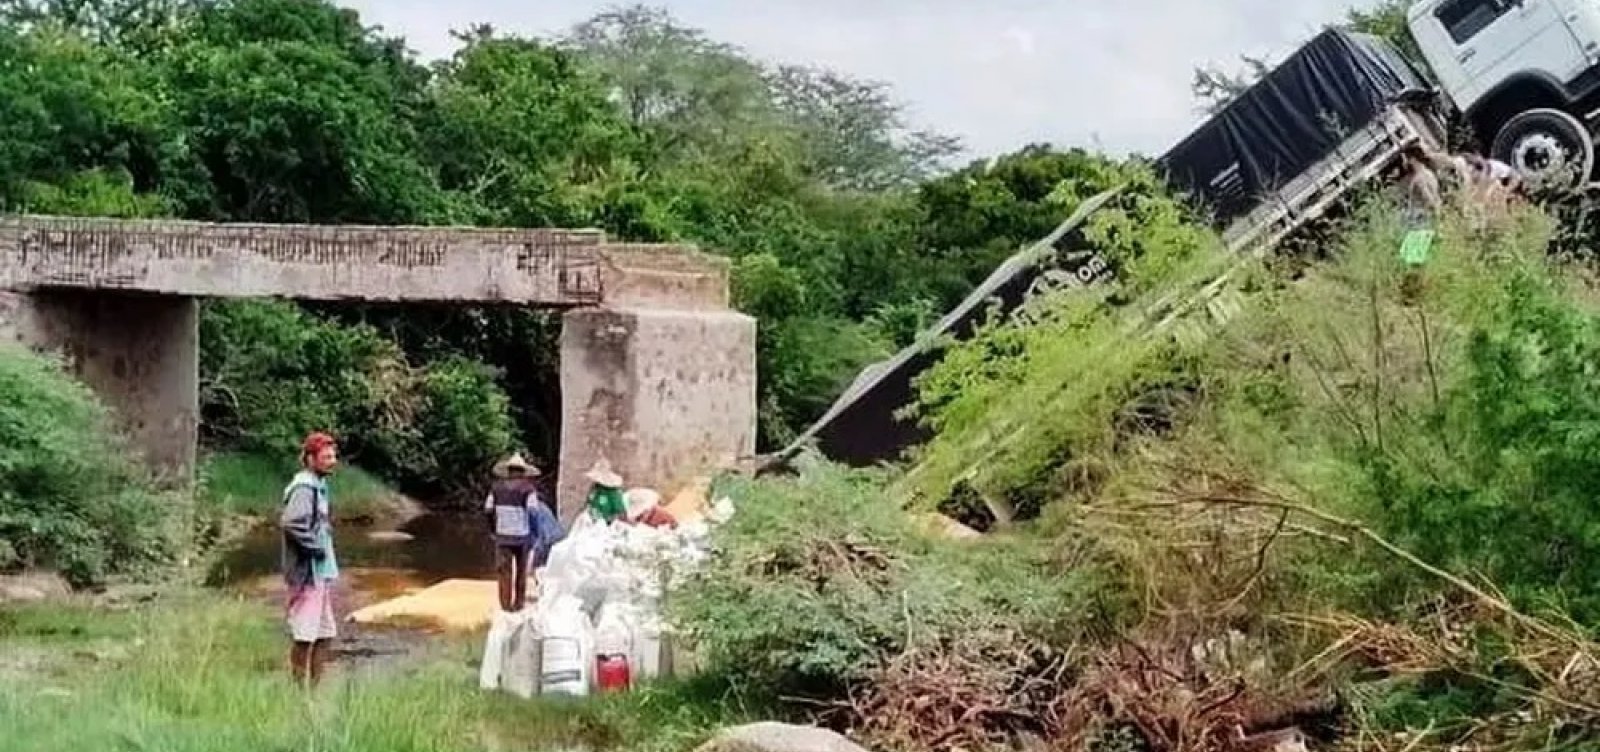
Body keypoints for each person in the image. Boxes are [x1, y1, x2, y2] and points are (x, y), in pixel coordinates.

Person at [280, 432, 340, 688]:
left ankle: (313, 690)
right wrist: (316, 549)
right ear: (310, 458)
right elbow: (291, 523)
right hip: (307, 574)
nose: (332, 461)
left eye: (333, 455)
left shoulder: (317, 485)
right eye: (326, 457)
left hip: (320, 575)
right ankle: (298, 693)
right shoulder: (304, 488)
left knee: (325, 634)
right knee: (304, 635)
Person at [482, 453, 559, 612]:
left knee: (504, 572)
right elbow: (533, 512)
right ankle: (518, 604)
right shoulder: (528, 489)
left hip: (502, 536)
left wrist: (493, 529)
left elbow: (488, 509)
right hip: (522, 537)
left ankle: (505, 606)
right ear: (523, 472)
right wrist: (535, 532)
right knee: (521, 571)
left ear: (508, 471)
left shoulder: (496, 488)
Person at [583, 460, 628, 525]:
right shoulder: (595, 488)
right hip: (589, 523)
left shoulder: (613, 492)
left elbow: (620, 513)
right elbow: (589, 503)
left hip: (605, 527)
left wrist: (607, 520)